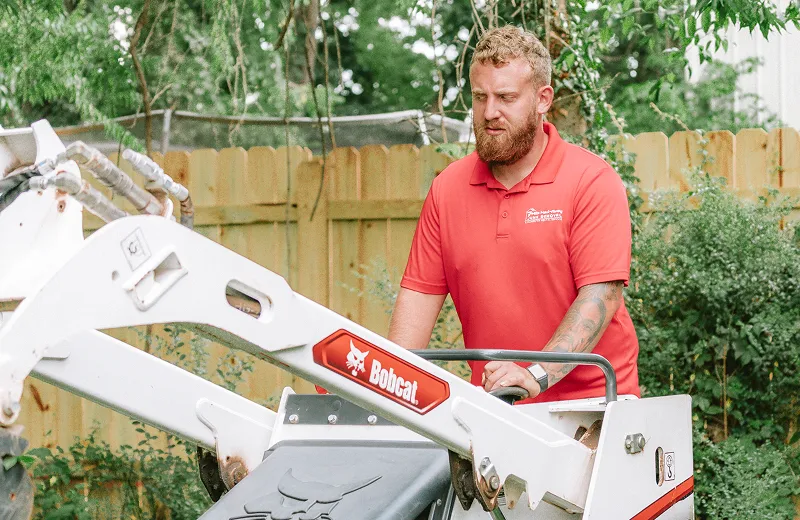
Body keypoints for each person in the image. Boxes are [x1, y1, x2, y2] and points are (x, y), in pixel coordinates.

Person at [388, 25, 640, 403]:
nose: (490, 112)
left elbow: (601, 298)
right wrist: (379, 382)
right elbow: (414, 315)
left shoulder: (590, 181)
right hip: (498, 407)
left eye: (506, 97)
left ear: (543, 99)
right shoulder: (448, 190)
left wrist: (535, 374)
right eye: (480, 97)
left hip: (595, 409)